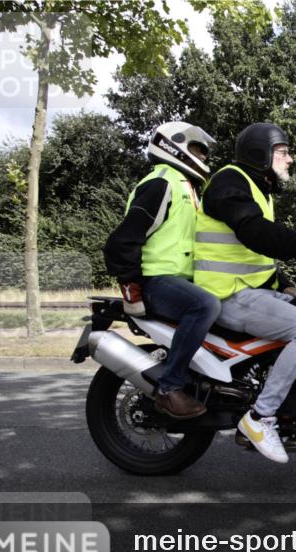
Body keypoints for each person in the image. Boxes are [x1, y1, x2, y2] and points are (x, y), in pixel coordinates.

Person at [195, 122, 296, 463]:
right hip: (227, 295)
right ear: (260, 154)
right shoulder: (229, 183)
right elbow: (256, 233)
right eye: (283, 152)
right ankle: (260, 417)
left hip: (245, 290)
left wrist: (283, 283)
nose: (290, 159)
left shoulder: (257, 189)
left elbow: (253, 254)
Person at [103, 121, 221, 419]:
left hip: (177, 282)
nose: (204, 157)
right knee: (205, 305)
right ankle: (169, 388)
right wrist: (131, 288)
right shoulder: (162, 183)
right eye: (198, 149)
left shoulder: (187, 188)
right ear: (174, 146)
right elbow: (122, 241)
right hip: (155, 281)